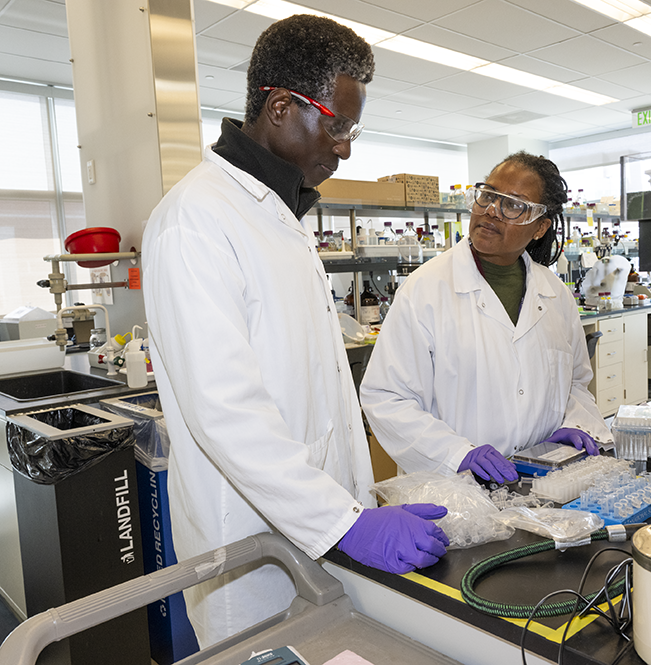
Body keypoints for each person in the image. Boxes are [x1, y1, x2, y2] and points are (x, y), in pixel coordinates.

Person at [142, 15, 448, 647]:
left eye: (351, 129)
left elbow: (318, 389)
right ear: (279, 106)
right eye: (336, 126)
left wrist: (358, 506)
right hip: (250, 560)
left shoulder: (281, 215)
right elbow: (227, 413)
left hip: (320, 532)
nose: (345, 148)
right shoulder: (195, 220)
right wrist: (343, 522)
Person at [360, 151, 613, 485]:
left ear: (539, 227)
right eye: (488, 196)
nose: (491, 210)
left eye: (512, 204)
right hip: (455, 492)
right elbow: (387, 398)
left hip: (543, 482)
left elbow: (576, 383)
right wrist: (456, 454)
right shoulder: (425, 289)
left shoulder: (556, 295)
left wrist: (577, 423)